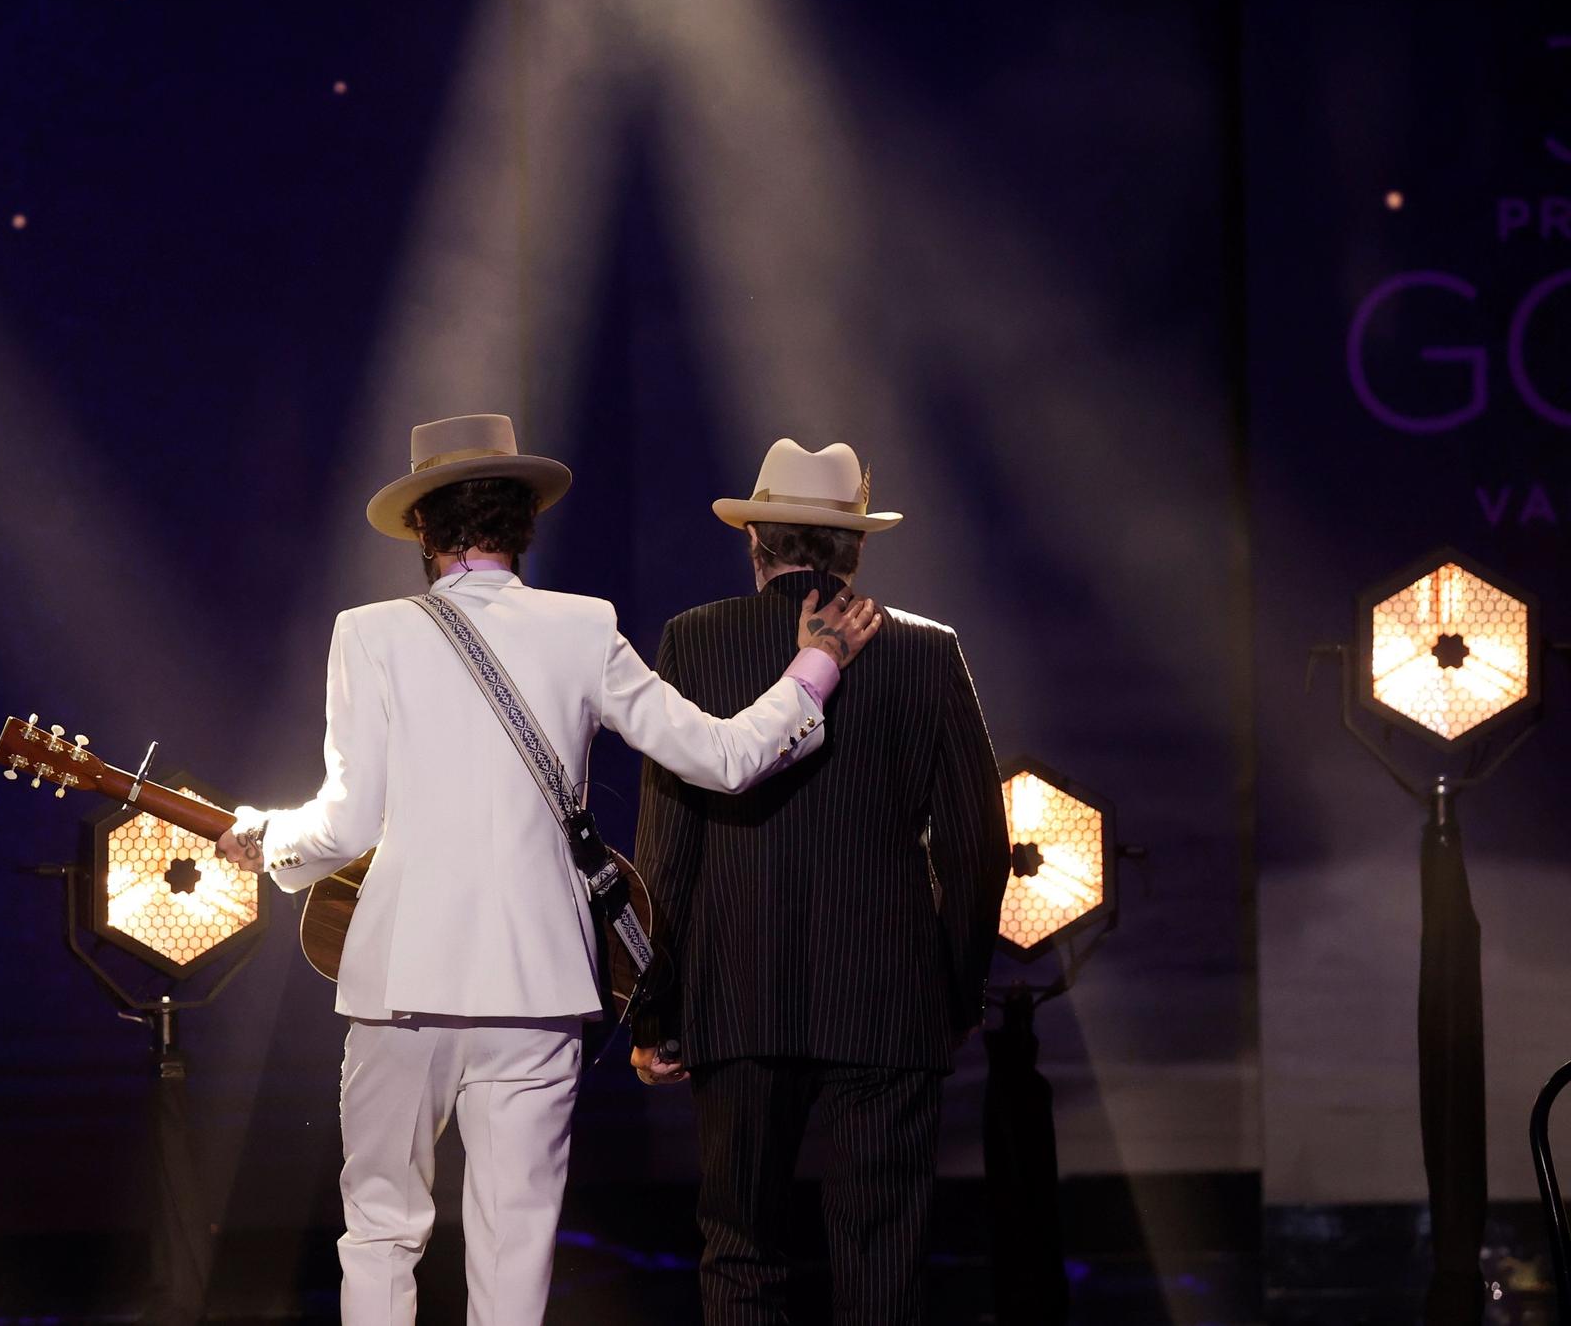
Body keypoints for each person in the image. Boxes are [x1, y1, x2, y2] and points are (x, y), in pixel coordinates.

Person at [215, 414, 882, 1326]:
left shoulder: (367, 633)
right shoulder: (582, 626)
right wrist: (814, 667)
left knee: (379, 1229)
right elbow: (725, 758)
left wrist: (269, 838)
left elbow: (344, 824)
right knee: (515, 1239)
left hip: (402, 982)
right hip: (536, 986)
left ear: (423, 528)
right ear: (523, 522)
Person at [628, 437, 1009, 1325]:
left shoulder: (696, 640)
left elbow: (665, 843)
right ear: (857, 547)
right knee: (883, 1262)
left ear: (755, 540)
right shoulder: (927, 652)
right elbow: (977, 845)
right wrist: (949, 993)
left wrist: (656, 1005)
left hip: (735, 999)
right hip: (887, 1006)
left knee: (741, 1253)